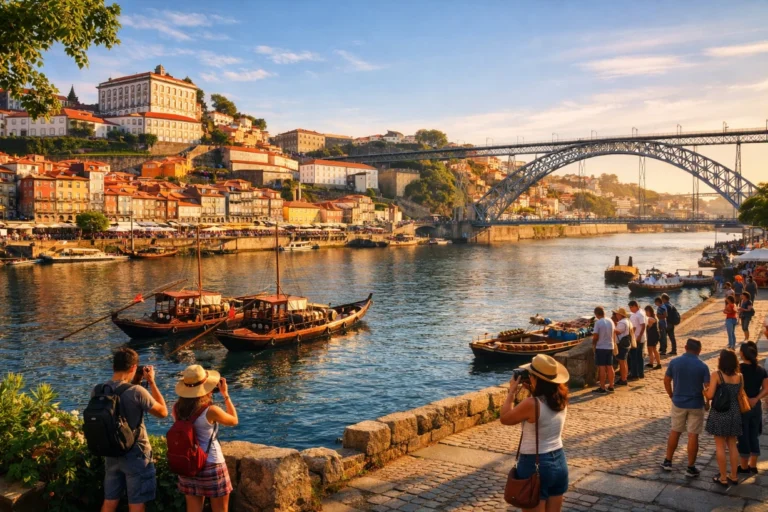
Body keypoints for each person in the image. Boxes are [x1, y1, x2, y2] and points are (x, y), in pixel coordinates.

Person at [97, 348, 168, 512]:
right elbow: (163, 412)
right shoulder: (137, 391)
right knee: (136, 503)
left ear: (114, 366)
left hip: (111, 453)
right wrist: (151, 382)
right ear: (133, 368)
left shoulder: (99, 389)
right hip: (136, 454)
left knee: (109, 501)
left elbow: (120, 398)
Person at [501, 354, 570, 512]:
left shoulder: (531, 403)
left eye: (531, 375)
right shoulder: (561, 398)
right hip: (559, 462)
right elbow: (543, 407)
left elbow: (505, 418)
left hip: (535, 463)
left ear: (535, 378)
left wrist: (511, 392)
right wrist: (532, 388)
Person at [173, 365, 239, 512]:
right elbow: (234, 420)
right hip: (212, 464)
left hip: (189, 464)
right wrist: (225, 395)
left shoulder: (176, 408)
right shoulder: (211, 411)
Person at [661, 338, 710, 477]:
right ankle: (690, 467)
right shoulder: (702, 366)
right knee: (693, 435)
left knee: (675, 431)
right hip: (696, 404)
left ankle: (668, 461)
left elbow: (666, 380)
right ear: (699, 350)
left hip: (678, 402)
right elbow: (707, 388)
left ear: (685, 347)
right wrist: (707, 402)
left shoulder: (675, 362)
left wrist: (671, 394)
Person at [704, 350, 744, 487]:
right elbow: (739, 394)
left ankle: (723, 477)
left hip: (720, 412)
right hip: (734, 412)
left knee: (720, 446)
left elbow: (710, 396)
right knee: (732, 444)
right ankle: (734, 476)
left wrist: (705, 390)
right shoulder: (740, 376)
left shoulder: (717, 375)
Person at [737, 342, 768, 475]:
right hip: (755, 406)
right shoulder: (761, 370)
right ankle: (753, 465)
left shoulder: (738, 369)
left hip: (742, 407)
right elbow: (766, 388)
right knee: (754, 434)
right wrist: (756, 398)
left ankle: (744, 467)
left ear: (742, 354)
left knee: (743, 435)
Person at [591, 306, 615, 394]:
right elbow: (614, 334)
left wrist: (593, 344)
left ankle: (602, 387)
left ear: (596, 314)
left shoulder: (598, 323)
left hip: (601, 347)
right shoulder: (610, 321)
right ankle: (611, 386)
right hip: (610, 346)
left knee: (601, 367)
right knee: (610, 366)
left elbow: (596, 336)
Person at [613, 308, 633, 387]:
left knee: (622, 362)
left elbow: (618, 332)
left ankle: (623, 379)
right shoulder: (627, 321)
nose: (616, 315)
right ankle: (625, 377)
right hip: (626, 343)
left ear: (620, 315)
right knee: (624, 361)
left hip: (622, 344)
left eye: (617, 314)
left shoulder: (622, 322)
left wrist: (612, 328)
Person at [628, 300, 647, 380]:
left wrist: (639, 336)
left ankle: (635, 374)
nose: (630, 309)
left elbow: (643, 325)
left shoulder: (639, 314)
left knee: (635, 356)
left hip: (637, 338)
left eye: (631, 307)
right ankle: (639, 373)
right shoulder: (638, 313)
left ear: (635, 306)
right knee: (638, 356)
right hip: (636, 337)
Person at [644, 305, 662, 370]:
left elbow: (649, 325)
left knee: (653, 349)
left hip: (653, 335)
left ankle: (658, 364)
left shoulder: (651, 318)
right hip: (653, 335)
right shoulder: (653, 317)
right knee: (651, 349)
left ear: (649, 311)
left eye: (646, 312)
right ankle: (651, 363)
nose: (645, 313)